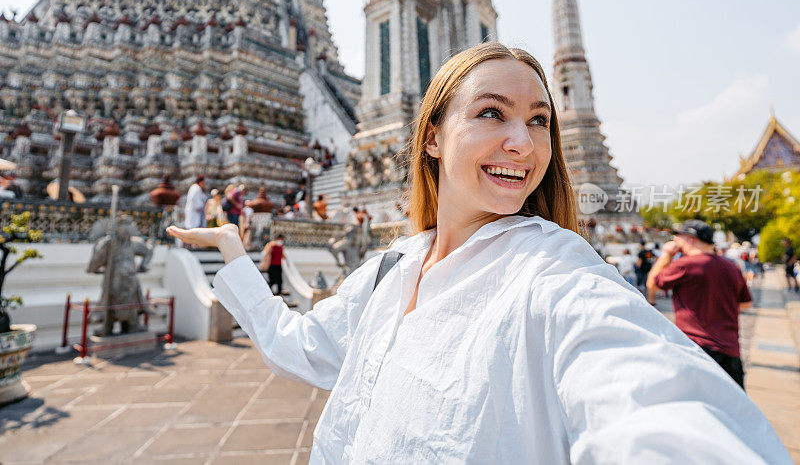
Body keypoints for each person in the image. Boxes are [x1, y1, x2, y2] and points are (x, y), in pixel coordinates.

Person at [167, 42, 790, 463]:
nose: (522, 142)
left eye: (540, 120)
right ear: (433, 137)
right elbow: (297, 348)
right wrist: (234, 254)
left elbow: (651, 397)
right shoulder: (391, 269)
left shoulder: (554, 271)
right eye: (493, 113)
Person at [647, 220, 753, 389]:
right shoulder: (731, 266)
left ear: (691, 238)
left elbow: (652, 284)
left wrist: (666, 255)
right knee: (733, 410)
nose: (675, 241)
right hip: (731, 351)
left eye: (679, 237)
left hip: (697, 348)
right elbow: (746, 303)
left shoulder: (685, 265)